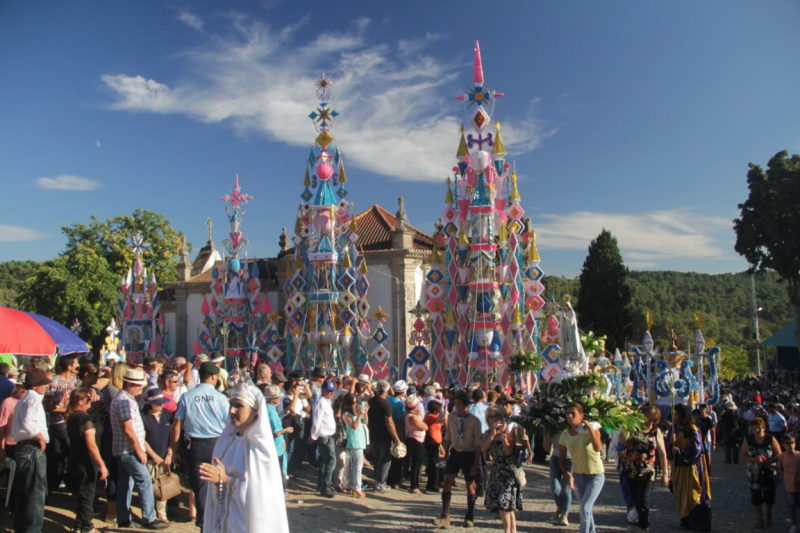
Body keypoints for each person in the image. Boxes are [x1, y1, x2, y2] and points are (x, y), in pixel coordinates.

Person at [198, 384, 289, 533]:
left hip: (245, 524)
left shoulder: (261, 449)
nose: (232, 411)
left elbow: (261, 497)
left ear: (254, 411)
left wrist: (225, 479)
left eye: (239, 406)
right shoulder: (225, 442)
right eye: (231, 405)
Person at [171, 361, 229, 531]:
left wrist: (174, 450)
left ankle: (204, 523)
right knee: (218, 483)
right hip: (216, 444)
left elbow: (177, 425)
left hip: (194, 446)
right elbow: (229, 424)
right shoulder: (221, 397)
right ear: (213, 377)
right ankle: (217, 521)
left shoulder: (187, 396)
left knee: (200, 487)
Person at [110, 367, 169, 530]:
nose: (141, 390)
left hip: (124, 449)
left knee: (125, 484)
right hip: (128, 450)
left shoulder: (123, 399)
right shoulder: (124, 401)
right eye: (140, 386)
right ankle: (149, 518)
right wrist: (139, 450)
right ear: (130, 385)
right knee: (144, 480)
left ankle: (124, 519)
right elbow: (128, 429)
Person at [432, 389, 482, 528]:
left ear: (466, 405)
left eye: (459, 404)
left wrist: (475, 463)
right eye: (455, 404)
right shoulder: (452, 418)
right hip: (455, 453)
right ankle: (445, 515)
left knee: (469, 485)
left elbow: (478, 443)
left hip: (469, 454)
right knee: (447, 482)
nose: (456, 407)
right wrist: (445, 452)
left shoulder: (474, 421)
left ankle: (470, 515)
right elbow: (448, 436)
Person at [10, 368, 51, 533]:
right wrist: (39, 436)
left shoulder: (23, 399)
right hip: (31, 448)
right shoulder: (33, 398)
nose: (46, 387)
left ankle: (21, 528)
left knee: (23, 493)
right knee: (34, 494)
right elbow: (28, 423)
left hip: (22, 447)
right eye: (44, 384)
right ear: (35, 386)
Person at [619, 405, 669, 533]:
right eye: (647, 416)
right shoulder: (632, 427)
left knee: (644, 499)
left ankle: (643, 527)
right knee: (636, 498)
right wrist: (626, 425)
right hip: (631, 468)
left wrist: (665, 473)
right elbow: (622, 440)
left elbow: (662, 452)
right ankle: (641, 523)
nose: (648, 420)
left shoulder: (656, 431)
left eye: (651, 418)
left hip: (648, 470)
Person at [66, 388, 108, 533]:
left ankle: (79, 524)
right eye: (89, 400)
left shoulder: (72, 417)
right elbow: (91, 445)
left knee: (80, 494)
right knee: (87, 495)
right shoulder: (85, 419)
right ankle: (86, 526)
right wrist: (102, 464)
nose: (91, 403)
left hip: (74, 460)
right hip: (86, 462)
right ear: (80, 401)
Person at [559, 403, 604, 533]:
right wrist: (569, 476)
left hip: (595, 475)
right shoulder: (565, 435)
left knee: (584, 508)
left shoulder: (592, 429)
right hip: (578, 476)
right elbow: (561, 461)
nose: (570, 416)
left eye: (573, 413)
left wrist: (589, 427)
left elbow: (598, 448)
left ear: (581, 415)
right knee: (586, 509)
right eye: (568, 413)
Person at [671, 403, 712, 532]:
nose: (674, 417)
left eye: (676, 414)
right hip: (680, 469)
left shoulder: (692, 429)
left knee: (694, 494)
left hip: (692, 468)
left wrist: (680, 451)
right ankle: (686, 520)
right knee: (682, 494)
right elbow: (670, 452)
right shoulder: (675, 430)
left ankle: (697, 522)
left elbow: (697, 450)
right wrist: (671, 444)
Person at [481, 405, 522, 533]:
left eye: (497, 416)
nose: (495, 419)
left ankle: (508, 530)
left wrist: (504, 439)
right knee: (504, 506)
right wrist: (492, 435)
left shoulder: (509, 429)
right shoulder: (488, 433)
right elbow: (483, 449)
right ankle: (511, 530)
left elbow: (509, 452)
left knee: (505, 504)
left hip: (509, 471)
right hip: (497, 471)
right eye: (491, 417)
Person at [45, 353, 79, 492]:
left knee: (69, 452)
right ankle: (53, 482)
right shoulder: (53, 381)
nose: (78, 365)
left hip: (69, 422)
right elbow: (49, 406)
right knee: (57, 453)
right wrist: (66, 408)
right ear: (69, 366)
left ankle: (67, 480)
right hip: (56, 423)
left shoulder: (75, 381)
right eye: (76, 363)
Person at [142, 387, 174, 524]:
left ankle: (162, 514)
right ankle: (150, 515)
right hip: (150, 458)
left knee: (163, 486)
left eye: (162, 403)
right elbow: (142, 440)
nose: (161, 405)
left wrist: (170, 453)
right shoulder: (143, 416)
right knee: (149, 487)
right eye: (158, 403)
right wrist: (153, 456)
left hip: (164, 456)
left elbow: (172, 437)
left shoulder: (167, 414)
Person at [742, 416, 781, 528]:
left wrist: (768, 461)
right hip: (754, 472)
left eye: (759, 428)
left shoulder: (770, 438)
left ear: (763, 428)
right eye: (754, 428)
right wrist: (755, 460)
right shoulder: (749, 439)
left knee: (769, 496)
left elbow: (779, 454)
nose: (757, 430)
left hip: (769, 470)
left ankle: (768, 513)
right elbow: (744, 455)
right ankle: (759, 518)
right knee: (756, 496)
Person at [368, 380, 403, 493]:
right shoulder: (385, 405)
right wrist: (397, 438)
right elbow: (390, 423)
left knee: (377, 459)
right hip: (384, 436)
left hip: (373, 434)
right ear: (388, 390)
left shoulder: (372, 401)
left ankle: (377, 481)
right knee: (385, 460)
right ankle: (380, 483)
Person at [309, 379, 337, 497]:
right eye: (329, 391)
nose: (331, 393)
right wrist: (313, 435)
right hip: (324, 435)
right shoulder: (321, 403)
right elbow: (316, 421)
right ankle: (326, 486)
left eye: (332, 391)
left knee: (324, 461)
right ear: (323, 390)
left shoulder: (326, 402)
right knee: (331, 461)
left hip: (327, 435)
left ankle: (321, 484)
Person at [264, 384, 293, 481]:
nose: (280, 398)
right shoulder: (271, 411)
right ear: (273, 399)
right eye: (278, 397)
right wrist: (286, 430)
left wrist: (282, 414)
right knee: (277, 474)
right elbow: (275, 433)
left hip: (275, 446)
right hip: (276, 447)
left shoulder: (267, 408)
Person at [544, 427, 572, 526]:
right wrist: (547, 434)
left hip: (570, 459)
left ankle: (564, 514)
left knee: (566, 489)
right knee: (555, 488)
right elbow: (546, 448)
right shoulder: (551, 428)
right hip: (555, 458)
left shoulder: (570, 428)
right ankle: (560, 507)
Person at [405, 393, 428, 496]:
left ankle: (415, 485)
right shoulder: (412, 417)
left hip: (416, 439)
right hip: (415, 440)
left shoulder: (412, 416)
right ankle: (414, 486)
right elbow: (425, 427)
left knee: (417, 463)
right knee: (415, 464)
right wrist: (419, 417)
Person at [776, 434, 800, 533]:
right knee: (791, 506)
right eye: (788, 443)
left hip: (799, 485)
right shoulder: (782, 456)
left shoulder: (799, 456)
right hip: (789, 485)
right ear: (783, 445)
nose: (791, 445)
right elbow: (778, 467)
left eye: (793, 443)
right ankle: (794, 525)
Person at [424, 399, 445, 493]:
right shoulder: (430, 416)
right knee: (434, 465)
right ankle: (432, 485)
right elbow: (443, 419)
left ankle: (436, 482)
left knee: (437, 464)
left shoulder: (434, 416)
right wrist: (446, 409)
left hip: (436, 441)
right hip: (432, 441)